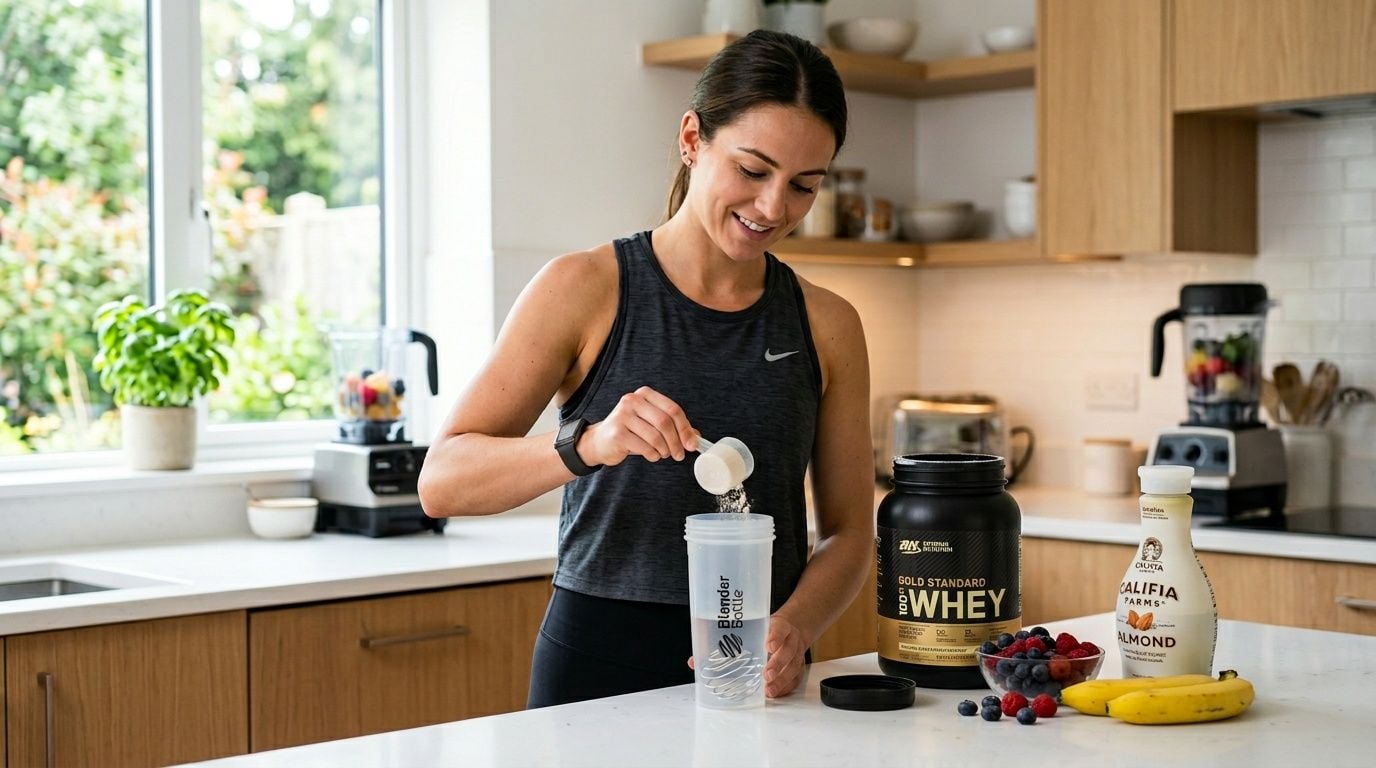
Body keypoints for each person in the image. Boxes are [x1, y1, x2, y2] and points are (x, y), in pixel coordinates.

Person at [418, 29, 873, 708]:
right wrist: (589, 442)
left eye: (804, 185)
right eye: (753, 170)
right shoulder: (584, 288)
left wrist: (797, 627)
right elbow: (442, 482)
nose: (774, 207)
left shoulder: (827, 324)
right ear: (693, 139)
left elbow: (849, 532)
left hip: (753, 672)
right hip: (596, 665)